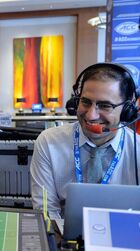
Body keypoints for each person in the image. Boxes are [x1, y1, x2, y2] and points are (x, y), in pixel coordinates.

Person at [30, 63, 140, 219]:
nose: (90, 116)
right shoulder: (49, 142)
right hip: (63, 238)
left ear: (128, 110)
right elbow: (47, 213)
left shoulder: (137, 149)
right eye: (86, 102)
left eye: (105, 106)